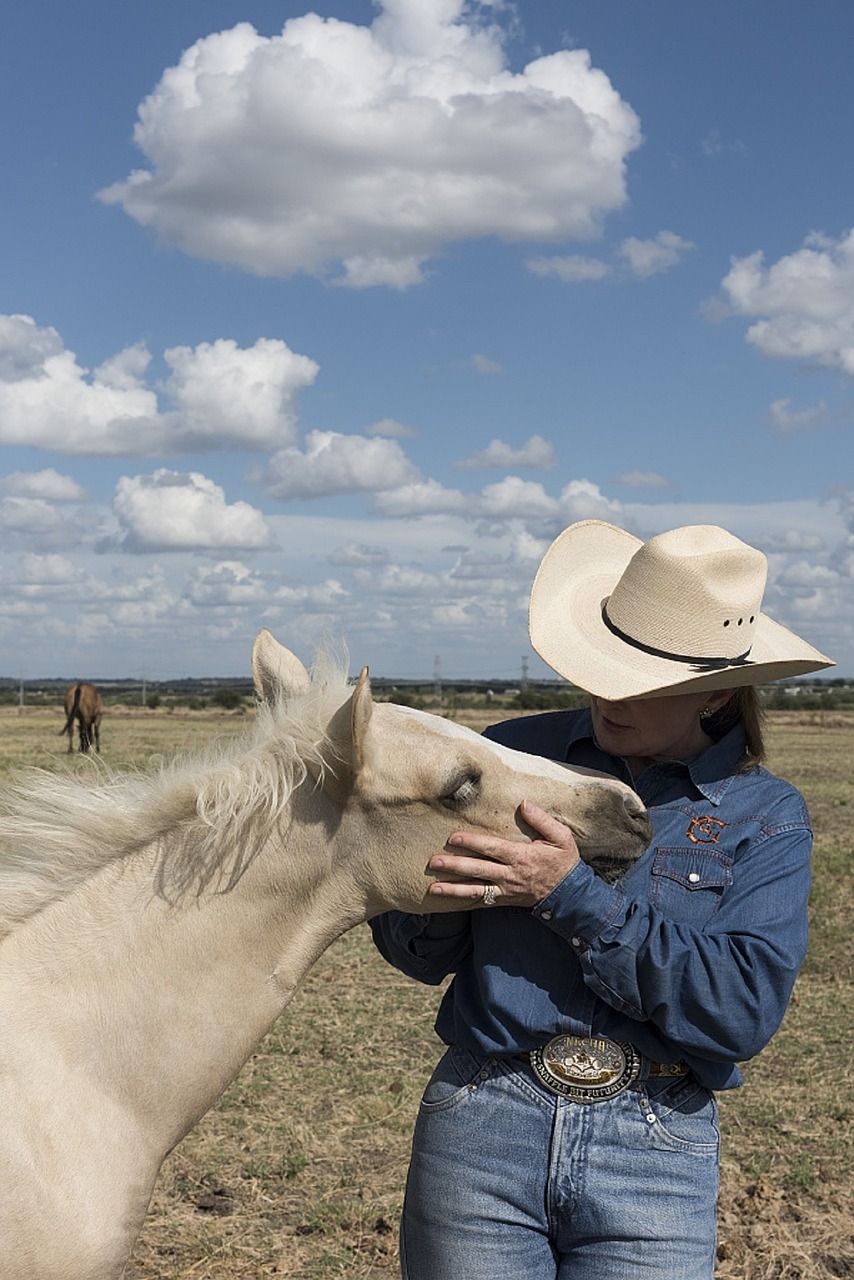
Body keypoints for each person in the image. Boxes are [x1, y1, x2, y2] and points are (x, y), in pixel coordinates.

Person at [370, 520, 834, 1280]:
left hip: (655, 1146)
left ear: (714, 692)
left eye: (639, 681)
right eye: (600, 666)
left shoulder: (765, 814)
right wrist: (431, 881)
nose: (603, 695)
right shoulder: (513, 755)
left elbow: (741, 1013)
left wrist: (568, 895)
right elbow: (414, 951)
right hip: (484, 1116)